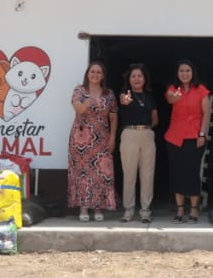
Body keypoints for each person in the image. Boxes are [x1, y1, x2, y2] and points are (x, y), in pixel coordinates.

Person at [67, 61, 117, 222]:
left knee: (101, 173)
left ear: (103, 76)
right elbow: (78, 109)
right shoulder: (79, 91)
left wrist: (113, 137)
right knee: (82, 174)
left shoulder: (109, 93)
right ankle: (83, 207)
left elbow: (114, 116)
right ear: (88, 74)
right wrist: (86, 103)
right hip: (81, 138)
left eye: (99, 72)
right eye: (92, 72)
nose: (95, 75)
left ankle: (98, 207)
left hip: (102, 138)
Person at [163, 59, 211, 223]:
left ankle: (194, 209)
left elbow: (206, 114)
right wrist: (177, 95)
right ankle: (180, 209)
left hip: (194, 136)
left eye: (187, 71)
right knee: (177, 173)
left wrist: (202, 134)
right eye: (181, 71)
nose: (184, 74)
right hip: (174, 137)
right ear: (177, 73)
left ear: (192, 73)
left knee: (191, 173)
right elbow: (170, 99)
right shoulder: (172, 89)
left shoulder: (201, 90)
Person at [117, 63, 159, 224]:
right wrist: (125, 100)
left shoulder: (150, 97)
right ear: (129, 79)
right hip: (129, 133)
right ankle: (128, 210)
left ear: (144, 78)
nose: (136, 78)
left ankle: (145, 211)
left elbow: (155, 120)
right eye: (133, 76)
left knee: (147, 174)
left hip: (147, 134)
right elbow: (123, 101)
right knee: (129, 174)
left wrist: (145, 128)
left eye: (139, 76)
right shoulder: (124, 95)